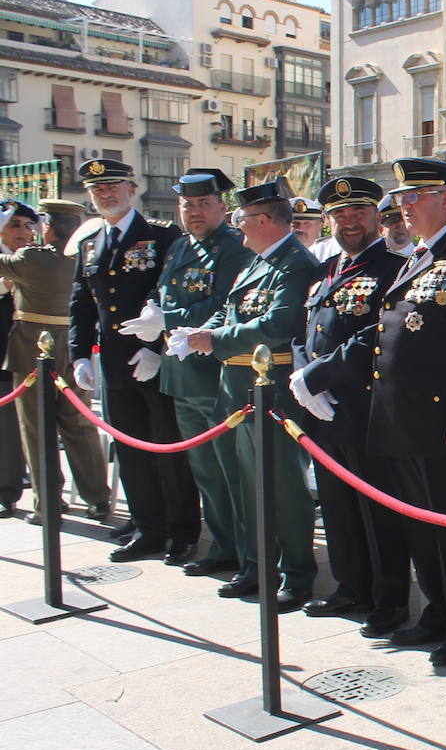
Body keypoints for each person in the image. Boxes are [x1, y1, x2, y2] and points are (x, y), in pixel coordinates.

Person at [174, 178, 321, 611]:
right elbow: (229, 310)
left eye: (242, 221)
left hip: (270, 387)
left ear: (262, 220)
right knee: (246, 483)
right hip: (236, 387)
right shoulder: (257, 262)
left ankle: (296, 573)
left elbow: (276, 325)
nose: (239, 230)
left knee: (283, 486)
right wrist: (196, 333)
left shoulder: (295, 263)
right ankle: (257, 565)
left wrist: (212, 339)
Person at [366, 158, 446, 668]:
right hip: (403, 417)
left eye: (414, 197)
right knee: (421, 524)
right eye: (401, 199)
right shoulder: (418, 256)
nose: (404, 207)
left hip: (443, 419)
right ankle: (438, 611)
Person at [290, 177, 411, 636]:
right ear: (328, 221)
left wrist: (316, 377)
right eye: (339, 215)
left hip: (365, 407)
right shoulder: (326, 270)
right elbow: (305, 330)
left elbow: (376, 337)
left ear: (376, 218)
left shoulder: (393, 269)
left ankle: (388, 598)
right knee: (336, 502)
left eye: (358, 213)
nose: (349, 222)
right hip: (322, 410)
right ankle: (350, 586)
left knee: (376, 508)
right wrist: (303, 375)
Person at [117, 168, 255, 570]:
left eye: (203, 204)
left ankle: (249, 554)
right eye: (187, 205)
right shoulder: (180, 247)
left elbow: (223, 306)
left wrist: (167, 321)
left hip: (215, 375)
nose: (194, 212)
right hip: (180, 375)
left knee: (231, 473)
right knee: (205, 473)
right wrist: (154, 343)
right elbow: (161, 296)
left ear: (222, 207)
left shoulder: (234, 248)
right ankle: (223, 547)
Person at [69, 158, 199, 562]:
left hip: (153, 360)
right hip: (113, 362)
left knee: (166, 445)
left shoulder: (162, 235)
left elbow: (175, 294)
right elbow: (82, 304)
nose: (105, 195)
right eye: (97, 190)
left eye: (113, 187)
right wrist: (79, 355)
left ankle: (182, 530)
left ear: (132, 187)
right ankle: (148, 525)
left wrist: (157, 347)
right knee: (129, 449)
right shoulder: (91, 242)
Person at [0, 200, 110, 523]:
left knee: (36, 428)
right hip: (74, 346)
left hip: (34, 347)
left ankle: (46, 504)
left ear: (47, 226)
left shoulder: (31, 258)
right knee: (79, 425)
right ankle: (98, 499)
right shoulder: (85, 258)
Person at [0, 200, 34, 519]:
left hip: (29, 356)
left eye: (28, 225)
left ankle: (14, 490)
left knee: (21, 429)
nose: (24, 231)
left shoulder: (35, 261)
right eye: (15, 225)